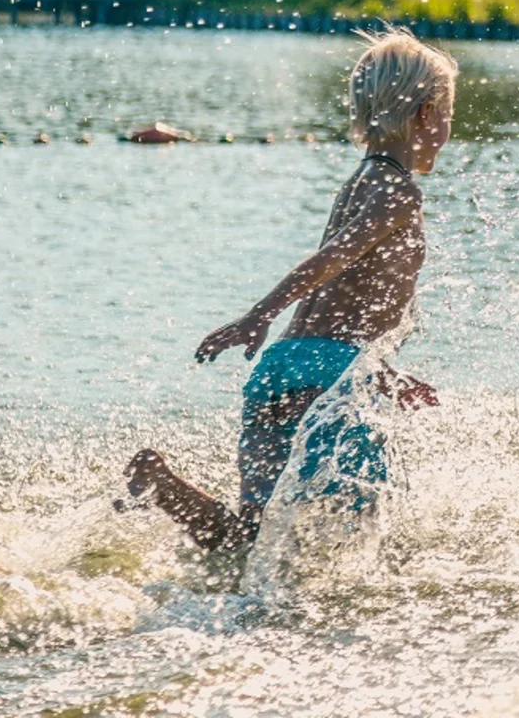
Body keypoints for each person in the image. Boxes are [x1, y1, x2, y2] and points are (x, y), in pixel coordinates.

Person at [120, 29, 457, 552]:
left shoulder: (362, 179)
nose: (447, 131)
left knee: (249, 539)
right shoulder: (399, 191)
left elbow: (342, 301)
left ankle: (160, 483)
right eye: (448, 116)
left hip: (281, 368)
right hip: (332, 376)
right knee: (358, 536)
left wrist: (383, 374)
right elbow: (337, 260)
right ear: (426, 113)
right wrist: (259, 314)